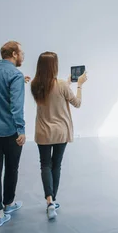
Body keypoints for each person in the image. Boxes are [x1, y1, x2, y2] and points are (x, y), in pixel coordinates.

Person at [30, 52, 87, 220]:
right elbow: (77, 103)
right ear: (54, 66)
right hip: (61, 132)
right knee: (56, 165)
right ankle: (53, 200)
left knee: (45, 165)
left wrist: (67, 83)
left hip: (43, 132)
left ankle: (49, 201)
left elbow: (52, 92)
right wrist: (79, 85)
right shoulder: (62, 86)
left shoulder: (35, 85)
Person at [0, 41, 30, 227]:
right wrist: (21, 130)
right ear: (14, 54)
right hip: (10, 132)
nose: (23, 56)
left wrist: (19, 81)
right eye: (22, 53)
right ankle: (8, 203)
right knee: (11, 168)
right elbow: (17, 107)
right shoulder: (14, 75)